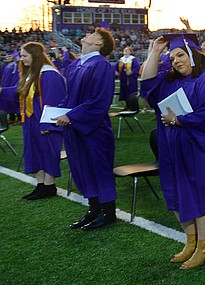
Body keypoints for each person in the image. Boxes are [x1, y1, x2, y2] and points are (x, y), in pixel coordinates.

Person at [140, 33, 205, 270]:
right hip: (174, 148)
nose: (176, 62)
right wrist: (154, 52)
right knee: (178, 192)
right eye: (171, 59)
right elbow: (148, 85)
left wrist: (179, 120)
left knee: (200, 193)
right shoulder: (172, 82)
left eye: (180, 55)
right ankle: (191, 242)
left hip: (203, 148)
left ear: (194, 54)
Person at [55, 28, 117, 230]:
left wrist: (71, 115)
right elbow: (71, 97)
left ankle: (108, 212)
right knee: (82, 167)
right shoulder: (76, 64)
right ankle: (93, 209)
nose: (87, 35)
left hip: (94, 129)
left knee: (98, 168)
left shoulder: (101, 65)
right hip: (75, 127)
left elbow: (99, 101)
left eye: (92, 35)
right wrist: (58, 111)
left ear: (99, 44)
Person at [0, 42, 66, 200]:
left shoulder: (50, 74)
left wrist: (47, 123)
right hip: (30, 121)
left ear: (35, 56)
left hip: (43, 121)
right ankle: (41, 185)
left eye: (24, 56)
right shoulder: (31, 74)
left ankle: (50, 185)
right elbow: (19, 94)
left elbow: (53, 101)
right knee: (34, 152)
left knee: (47, 151)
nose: (21, 60)